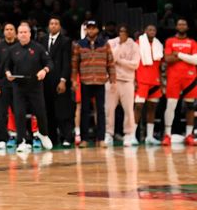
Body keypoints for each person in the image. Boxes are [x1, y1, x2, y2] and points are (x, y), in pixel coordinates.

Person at [4, 23, 55, 153]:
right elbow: (6, 67)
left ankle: (43, 134)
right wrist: (8, 74)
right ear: (17, 34)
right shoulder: (13, 50)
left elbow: (49, 62)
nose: (23, 34)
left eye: (25, 32)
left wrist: (44, 70)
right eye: (20, 32)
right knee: (19, 114)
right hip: (19, 87)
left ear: (30, 34)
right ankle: (21, 141)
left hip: (35, 86)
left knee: (40, 113)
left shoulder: (38, 48)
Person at [71, 19, 116, 148]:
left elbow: (110, 62)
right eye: (88, 28)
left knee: (100, 111)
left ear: (97, 29)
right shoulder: (79, 44)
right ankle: (84, 139)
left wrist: (113, 78)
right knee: (85, 110)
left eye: (93, 28)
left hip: (100, 80)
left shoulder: (104, 44)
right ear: (86, 30)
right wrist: (74, 80)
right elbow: (74, 64)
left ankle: (101, 139)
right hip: (85, 81)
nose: (91, 30)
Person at [39, 16, 73, 146]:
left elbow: (66, 63)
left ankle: (67, 137)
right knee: (49, 111)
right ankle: (52, 138)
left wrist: (63, 80)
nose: (53, 25)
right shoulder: (42, 40)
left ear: (60, 26)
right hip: (46, 81)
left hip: (59, 80)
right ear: (48, 26)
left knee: (63, 110)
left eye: (56, 23)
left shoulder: (65, 41)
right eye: (51, 23)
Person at [162, 18, 197, 146]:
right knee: (171, 105)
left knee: (190, 107)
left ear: (187, 27)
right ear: (176, 27)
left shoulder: (192, 42)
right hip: (173, 78)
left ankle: (189, 135)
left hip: (190, 78)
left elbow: (196, 61)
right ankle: (167, 135)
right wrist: (187, 57)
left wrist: (179, 55)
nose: (181, 26)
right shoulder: (170, 41)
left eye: (184, 24)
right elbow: (167, 59)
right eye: (179, 24)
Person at [106, 25, 140, 146]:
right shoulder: (111, 42)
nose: (122, 33)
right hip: (112, 80)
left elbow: (135, 64)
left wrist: (120, 61)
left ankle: (128, 135)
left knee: (129, 110)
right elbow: (110, 60)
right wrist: (120, 45)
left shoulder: (135, 46)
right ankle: (108, 134)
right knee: (109, 109)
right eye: (120, 31)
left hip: (127, 81)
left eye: (124, 31)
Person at [134, 24, 163, 145]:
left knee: (152, 108)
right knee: (138, 107)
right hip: (141, 80)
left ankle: (149, 137)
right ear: (145, 31)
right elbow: (134, 62)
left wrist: (161, 80)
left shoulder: (159, 44)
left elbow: (161, 65)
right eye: (149, 29)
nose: (152, 31)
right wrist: (134, 79)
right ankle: (131, 136)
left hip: (155, 80)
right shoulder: (137, 43)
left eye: (154, 29)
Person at [0, 23, 18, 149]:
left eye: (11, 29)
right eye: (6, 29)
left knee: (18, 111)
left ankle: (20, 137)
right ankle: (2, 139)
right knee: (2, 112)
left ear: (15, 32)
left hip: (18, 83)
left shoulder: (20, 45)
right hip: (3, 83)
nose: (9, 31)